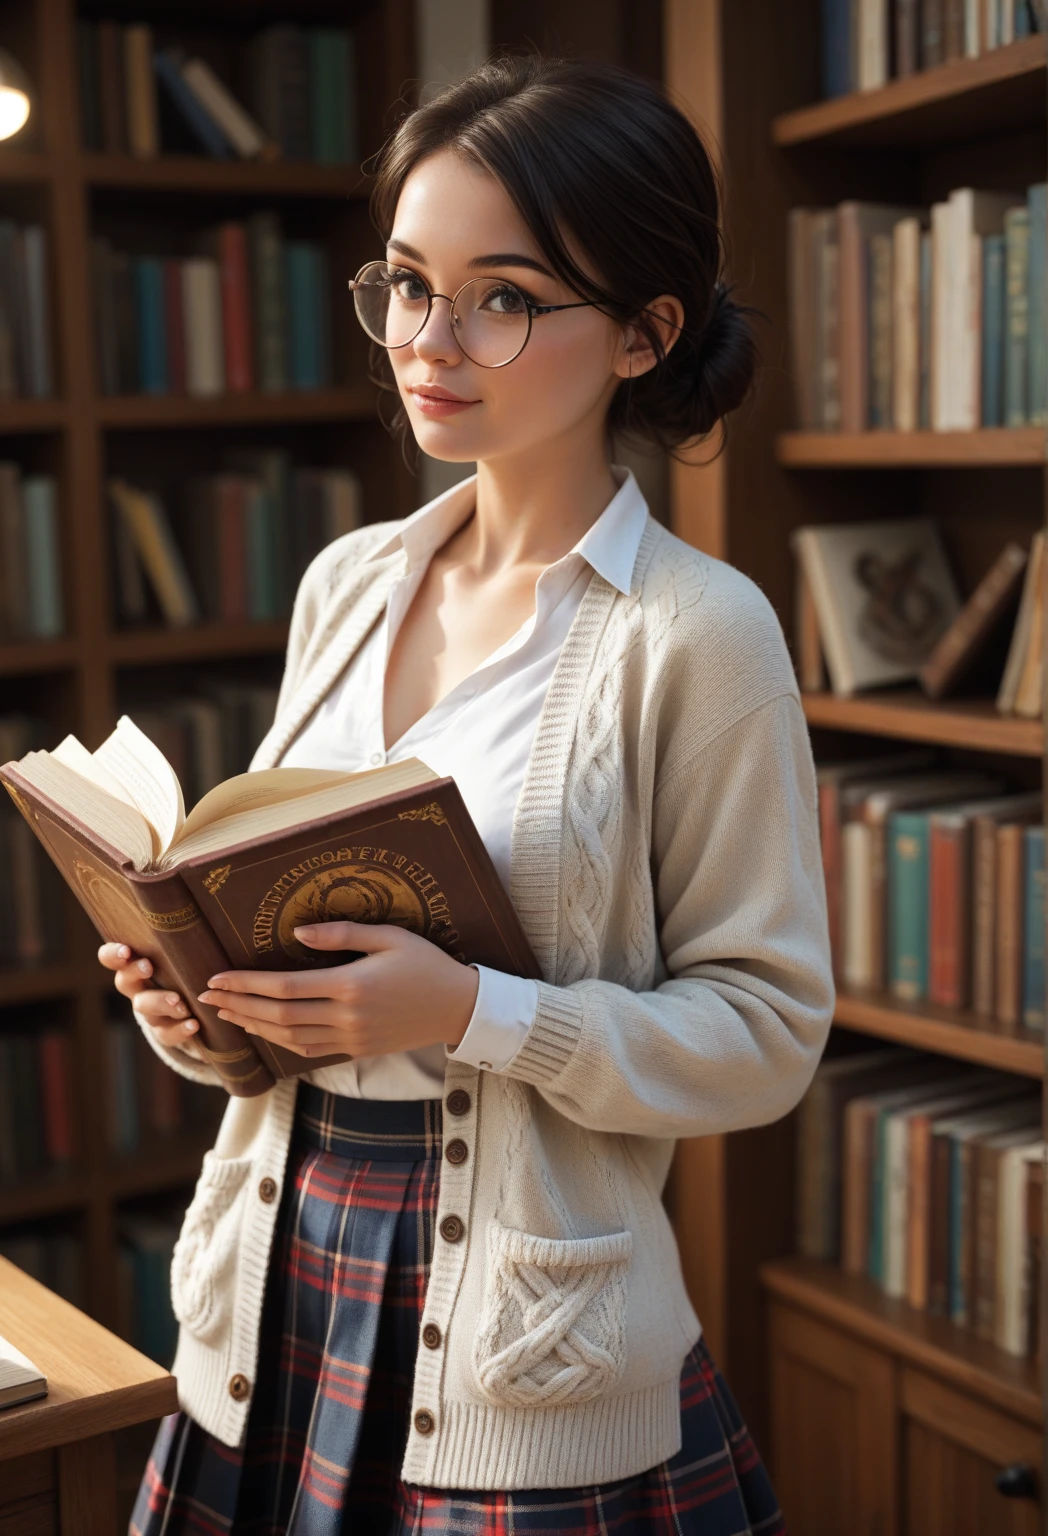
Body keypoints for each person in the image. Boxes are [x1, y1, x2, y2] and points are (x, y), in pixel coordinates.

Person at [110, 50, 834, 1536]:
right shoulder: (350, 582)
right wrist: (203, 1011)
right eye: (406, 283)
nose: (429, 340)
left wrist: (467, 1012)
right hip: (277, 1294)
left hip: (527, 1353)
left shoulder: (695, 634)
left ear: (642, 334)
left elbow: (765, 1039)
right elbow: (300, 958)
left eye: (501, 297)